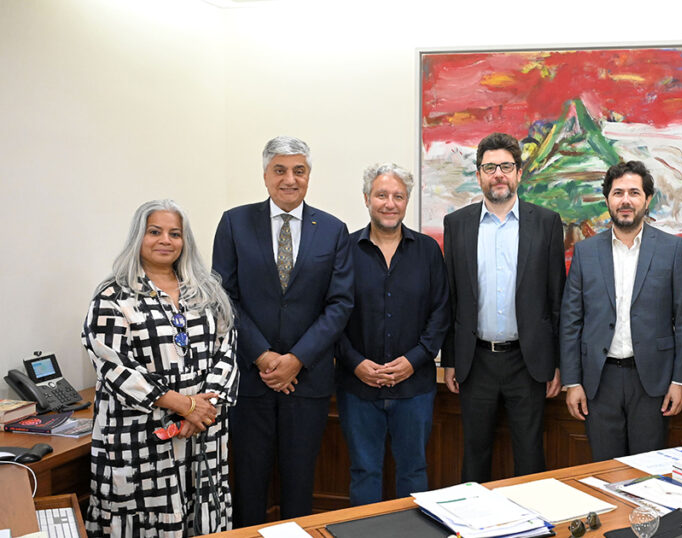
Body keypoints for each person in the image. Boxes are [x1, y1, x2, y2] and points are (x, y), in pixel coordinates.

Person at [212, 136, 354, 526]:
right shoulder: (234, 223)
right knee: (249, 482)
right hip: (250, 379)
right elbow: (223, 297)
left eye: (298, 171)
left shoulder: (332, 229)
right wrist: (262, 355)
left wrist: (296, 359)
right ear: (265, 175)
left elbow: (340, 304)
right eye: (280, 170)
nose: (289, 179)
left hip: (307, 380)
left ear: (309, 176)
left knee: (299, 483)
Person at [82, 199, 237, 537]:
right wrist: (184, 405)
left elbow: (227, 350)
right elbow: (115, 367)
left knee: (202, 513)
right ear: (138, 237)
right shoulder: (113, 296)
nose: (165, 240)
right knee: (145, 520)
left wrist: (201, 410)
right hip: (139, 433)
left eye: (174, 234)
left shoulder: (206, 291)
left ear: (185, 241)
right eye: (155, 232)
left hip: (202, 429)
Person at [441, 132, 565, 482]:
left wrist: (557, 362)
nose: (498, 174)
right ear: (478, 175)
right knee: (474, 455)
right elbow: (451, 298)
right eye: (490, 167)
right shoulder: (457, 224)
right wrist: (450, 359)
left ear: (519, 173)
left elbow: (557, 298)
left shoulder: (546, 223)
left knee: (530, 456)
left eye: (506, 167)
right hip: (475, 361)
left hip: (528, 361)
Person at [560, 160, 682, 461]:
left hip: (653, 382)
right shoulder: (585, 252)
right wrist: (573, 382)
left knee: (647, 471)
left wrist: (679, 381)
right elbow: (571, 321)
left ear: (647, 200)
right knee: (605, 468)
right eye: (618, 192)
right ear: (607, 199)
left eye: (634, 193)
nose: (625, 200)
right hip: (599, 381)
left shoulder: (672, 249)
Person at [336, 163, 450, 505]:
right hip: (357, 387)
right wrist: (355, 363)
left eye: (398, 196)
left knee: (414, 471)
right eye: (381, 195)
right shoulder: (344, 250)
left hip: (414, 388)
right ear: (366, 198)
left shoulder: (428, 250)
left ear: (406, 201)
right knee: (363, 472)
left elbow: (441, 313)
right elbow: (331, 314)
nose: (390, 203)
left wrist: (413, 361)